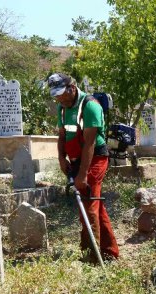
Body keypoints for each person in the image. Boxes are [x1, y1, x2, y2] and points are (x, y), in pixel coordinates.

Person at [48, 73, 119, 263]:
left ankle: (92, 256)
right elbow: (62, 136)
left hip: (95, 157)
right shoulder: (62, 108)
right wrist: (62, 159)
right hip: (77, 158)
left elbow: (89, 143)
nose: (59, 98)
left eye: (62, 93)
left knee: (88, 207)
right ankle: (109, 252)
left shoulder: (90, 106)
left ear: (72, 88)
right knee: (95, 204)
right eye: (56, 95)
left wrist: (82, 174)